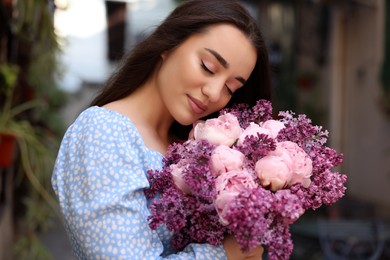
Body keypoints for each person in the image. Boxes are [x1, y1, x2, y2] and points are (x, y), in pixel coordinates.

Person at [52, 0, 272, 259]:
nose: (214, 93)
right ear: (169, 44)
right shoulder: (103, 133)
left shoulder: (195, 147)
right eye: (208, 67)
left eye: (230, 88)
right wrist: (223, 253)